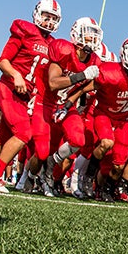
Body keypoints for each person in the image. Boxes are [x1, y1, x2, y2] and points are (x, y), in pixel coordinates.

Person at [0, 0, 62, 193]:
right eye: (46, 16)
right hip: (9, 87)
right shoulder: (24, 30)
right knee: (23, 133)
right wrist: (16, 74)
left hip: (25, 95)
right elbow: (2, 61)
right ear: (37, 14)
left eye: (53, 18)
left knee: (3, 138)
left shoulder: (53, 44)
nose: (49, 21)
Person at [75, 36, 128, 201]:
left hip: (122, 120)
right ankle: (88, 176)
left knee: (120, 163)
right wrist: (72, 103)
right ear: (125, 56)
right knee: (106, 142)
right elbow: (87, 88)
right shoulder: (111, 73)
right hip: (104, 114)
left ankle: (107, 189)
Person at [40, 17, 103, 196]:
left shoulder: (94, 60)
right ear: (76, 34)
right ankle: (30, 175)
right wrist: (81, 75)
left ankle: (51, 164)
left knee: (78, 140)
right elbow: (53, 83)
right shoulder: (63, 50)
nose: (92, 40)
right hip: (46, 102)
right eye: (88, 36)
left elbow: (82, 90)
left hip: (65, 105)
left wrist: (68, 105)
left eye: (94, 36)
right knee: (41, 148)